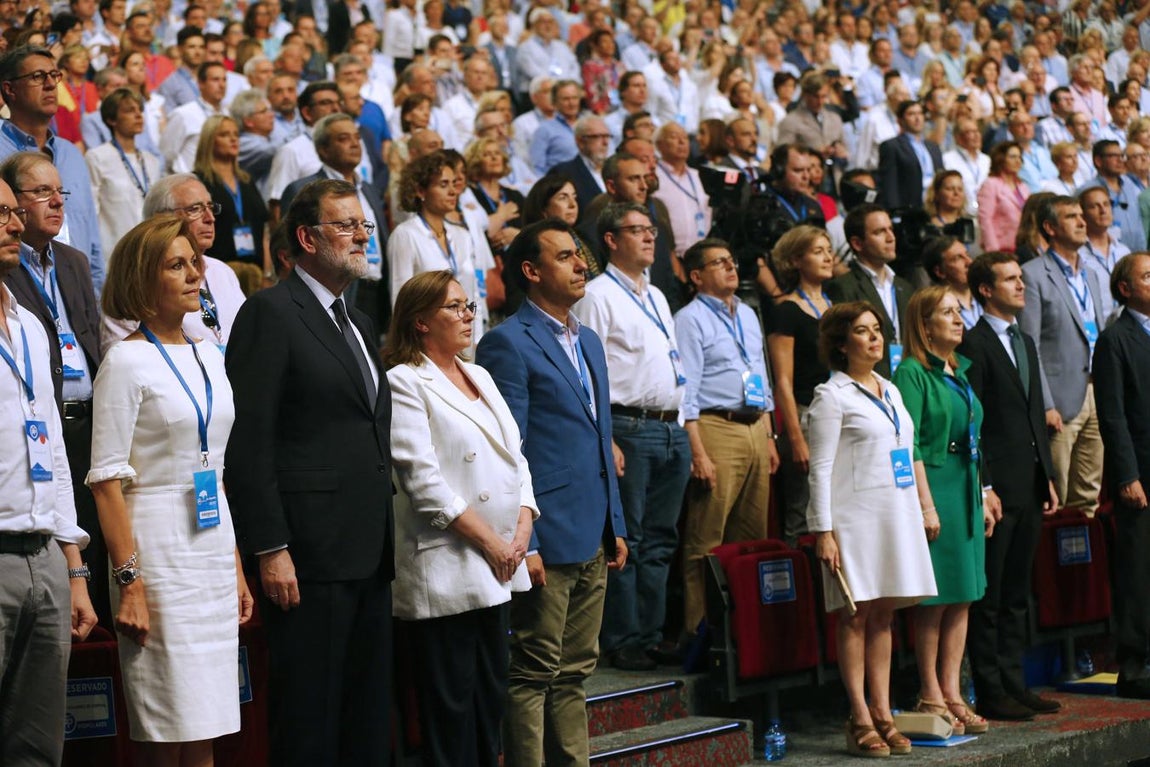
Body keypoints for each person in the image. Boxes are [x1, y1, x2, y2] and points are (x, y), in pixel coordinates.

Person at [224, 178, 394, 766]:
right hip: (308, 556)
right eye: (346, 225)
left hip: (370, 551)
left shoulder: (361, 321)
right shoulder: (270, 312)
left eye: (364, 225)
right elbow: (250, 443)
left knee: (366, 720)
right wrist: (270, 547)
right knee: (310, 722)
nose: (361, 236)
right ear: (306, 238)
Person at [87, 215, 253, 762]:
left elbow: (215, 472)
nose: (194, 275)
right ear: (143, 278)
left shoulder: (209, 354)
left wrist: (234, 566)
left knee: (207, 724)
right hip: (156, 553)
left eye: (194, 263)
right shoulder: (125, 360)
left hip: (210, 549)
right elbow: (106, 483)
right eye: (176, 265)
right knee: (165, 730)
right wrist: (130, 584)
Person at [475, 219, 627, 767]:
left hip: (593, 530)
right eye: (565, 256)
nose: (581, 263)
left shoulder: (588, 339)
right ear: (531, 271)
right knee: (533, 670)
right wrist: (527, 541)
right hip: (546, 532)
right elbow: (508, 451)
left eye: (579, 254)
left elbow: (601, 439)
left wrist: (616, 525)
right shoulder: (506, 343)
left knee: (576, 670)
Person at [385, 270, 537, 766]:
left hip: (500, 560)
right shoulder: (404, 380)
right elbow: (423, 482)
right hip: (449, 561)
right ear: (420, 321)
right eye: (453, 307)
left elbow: (516, 460)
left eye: (469, 305)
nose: (468, 315)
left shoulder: (481, 375)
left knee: (490, 700)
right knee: (450, 709)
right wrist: (493, 544)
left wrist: (521, 532)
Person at [807, 301, 937, 758]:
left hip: (894, 514)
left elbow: (906, 453)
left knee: (884, 614)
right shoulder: (831, 395)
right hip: (853, 519)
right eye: (862, 331)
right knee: (855, 615)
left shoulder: (891, 389)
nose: (875, 337)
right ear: (842, 344)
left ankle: (884, 711)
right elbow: (820, 469)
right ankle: (859, 716)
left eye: (877, 329)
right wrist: (823, 531)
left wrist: (922, 507)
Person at [0, 174, 96, 766]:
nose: (15, 224)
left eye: (15, 212)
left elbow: (54, 451)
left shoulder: (31, 328)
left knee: (38, 751)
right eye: (1, 214)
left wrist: (74, 568)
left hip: (46, 559)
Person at [573, 201, 691, 670]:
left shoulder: (657, 294)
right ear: (610, 239)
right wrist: (605, 437)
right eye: (637, 230)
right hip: (628, 426)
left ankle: (651, 633)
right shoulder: (598, 295)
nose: (649, 237)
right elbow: (587, 370)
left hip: (670, 426)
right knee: (630, 539)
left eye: (651, 230)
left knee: (662, 541)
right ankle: (623, 637)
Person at [1, 151, 106, 621]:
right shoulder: (9, 270)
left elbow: (90, 338)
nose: (57, 201)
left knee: (91, 542)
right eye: (42, 192)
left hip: (83, 427)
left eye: (60, 191)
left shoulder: (73, 262)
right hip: (40, 428)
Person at [960, 251, 1061, 720]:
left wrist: (1047, 475)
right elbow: (973, 421)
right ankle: (990, 688)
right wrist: (984, 485)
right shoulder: (974, 343)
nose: (1021, 285)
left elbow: (1034, 412)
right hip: (997, 487)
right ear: (985, 290)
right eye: (1009, 279)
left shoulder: (1024, 339)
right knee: (992, 593)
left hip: (1030, 479)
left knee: (1019, 591)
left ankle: (1017, 683)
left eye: (1021, 277)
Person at [891, 286, 995, 737]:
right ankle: (930, 692)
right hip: (934, 485)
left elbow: (973, 435)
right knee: (935, 597)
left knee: (964, 593)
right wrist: (925, 504)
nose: (958, 319)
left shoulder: (959, 369)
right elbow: (908, 442)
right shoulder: (911, 373)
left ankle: (954, 691)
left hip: (964, 483)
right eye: (947, 312)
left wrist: (984, 491)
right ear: (924, 324)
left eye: (958, 311)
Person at [674, 238, 779, 648]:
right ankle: (699, 636)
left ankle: (746, 636)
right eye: (719, 263)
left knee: (751, 538)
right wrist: (697, 450)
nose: (731, 267)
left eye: (731, 260)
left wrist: (769, 435)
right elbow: (687, 388)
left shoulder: (748, 313)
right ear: (696, 276)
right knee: (707, 538)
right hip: (716, 426)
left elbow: (761, 375)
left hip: (754, 427)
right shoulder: (690, 319)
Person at [1019, 195, 1105, 516]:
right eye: (1072, 216)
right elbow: (1030, 345)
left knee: (1089, 495)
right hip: (1059, 399)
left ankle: (1088, 550)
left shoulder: (1091, 274)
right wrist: (1045, 403)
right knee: (1058, 495)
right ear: (1050, 227)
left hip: (1095, 389)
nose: (1082, 222)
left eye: (1082, 215)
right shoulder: (1032, 274)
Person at [1094, 252, 1150, 700]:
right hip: (1140, 472)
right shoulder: (1114, 339)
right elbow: (1112, 415)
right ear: (1126, 288)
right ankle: (1133, 666)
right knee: (1137, 570)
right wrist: (1127, 475)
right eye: (1148, 276)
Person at [0, 45, 102, 292]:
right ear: (10, 89)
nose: (50, 85)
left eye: (54, 75)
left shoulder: (72, 155)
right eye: (37, 76)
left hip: (75, 293)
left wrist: (95, 295)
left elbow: (91, 235)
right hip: (17, 294)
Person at [768, 225, 834, 544]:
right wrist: (795, 438)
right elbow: (783, 381)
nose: (828, 257)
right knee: (803, 511)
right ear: (796, 260)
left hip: (840, 411)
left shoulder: (837, 305)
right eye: (818, 251)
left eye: (829, 250)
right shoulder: (787, 311)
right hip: (807, 415)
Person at [389, 151, 487, 344]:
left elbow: (474, 294)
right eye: (443, 185)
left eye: (453, 183)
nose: (453, 191)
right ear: (421, 191)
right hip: (427, 342)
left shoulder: (462, 235)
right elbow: (400, 299)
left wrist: (477, 341)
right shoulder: (405, 234)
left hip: (466, 341)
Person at [826, 204, 912, 379]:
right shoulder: (843, 287)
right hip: (866, 383)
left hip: (906, 381)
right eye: (879, 232)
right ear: (857, 243)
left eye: (891, 229)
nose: (891, 238)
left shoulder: (906, 287)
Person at [193, 114, 270, 285]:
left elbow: (263, 230)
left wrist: (268, 273)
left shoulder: (247, 180)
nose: (233, 139)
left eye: (236, 134)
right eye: (224, 134)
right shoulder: (198, 182)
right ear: (209, 141)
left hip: (255, 271)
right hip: (216, 272)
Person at [85, 87, 158, 260]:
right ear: (111, 119)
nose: (139, 115)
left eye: (140, 110)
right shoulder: (97, 157)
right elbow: (91, 213)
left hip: (149, 251)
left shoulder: (151, 160)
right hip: (113, 253)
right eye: (130, 111)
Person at [879, 100, 945, 210]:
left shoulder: (933, 147)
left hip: (935, 205)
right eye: (911, 114)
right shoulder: (891, 146)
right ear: (900, 120)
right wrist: (894, 212)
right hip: (910, 207)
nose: (917, 118)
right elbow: (889, 184)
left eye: (920, 113)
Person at [978, 142, 1030, 252]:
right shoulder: (990, 184)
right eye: (1013, 157)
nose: (1018, 161)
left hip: (1023, 247)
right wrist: (993, 250)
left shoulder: (1023, 186)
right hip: (1001, 249)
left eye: (1019, 157)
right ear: (1000, 160)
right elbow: (985, 219)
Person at [922, 236, 980, 328]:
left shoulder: (987, 298)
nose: (969, 262)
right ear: (940, 272)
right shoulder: (936, 310)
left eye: (967, 255)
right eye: (958, 258)